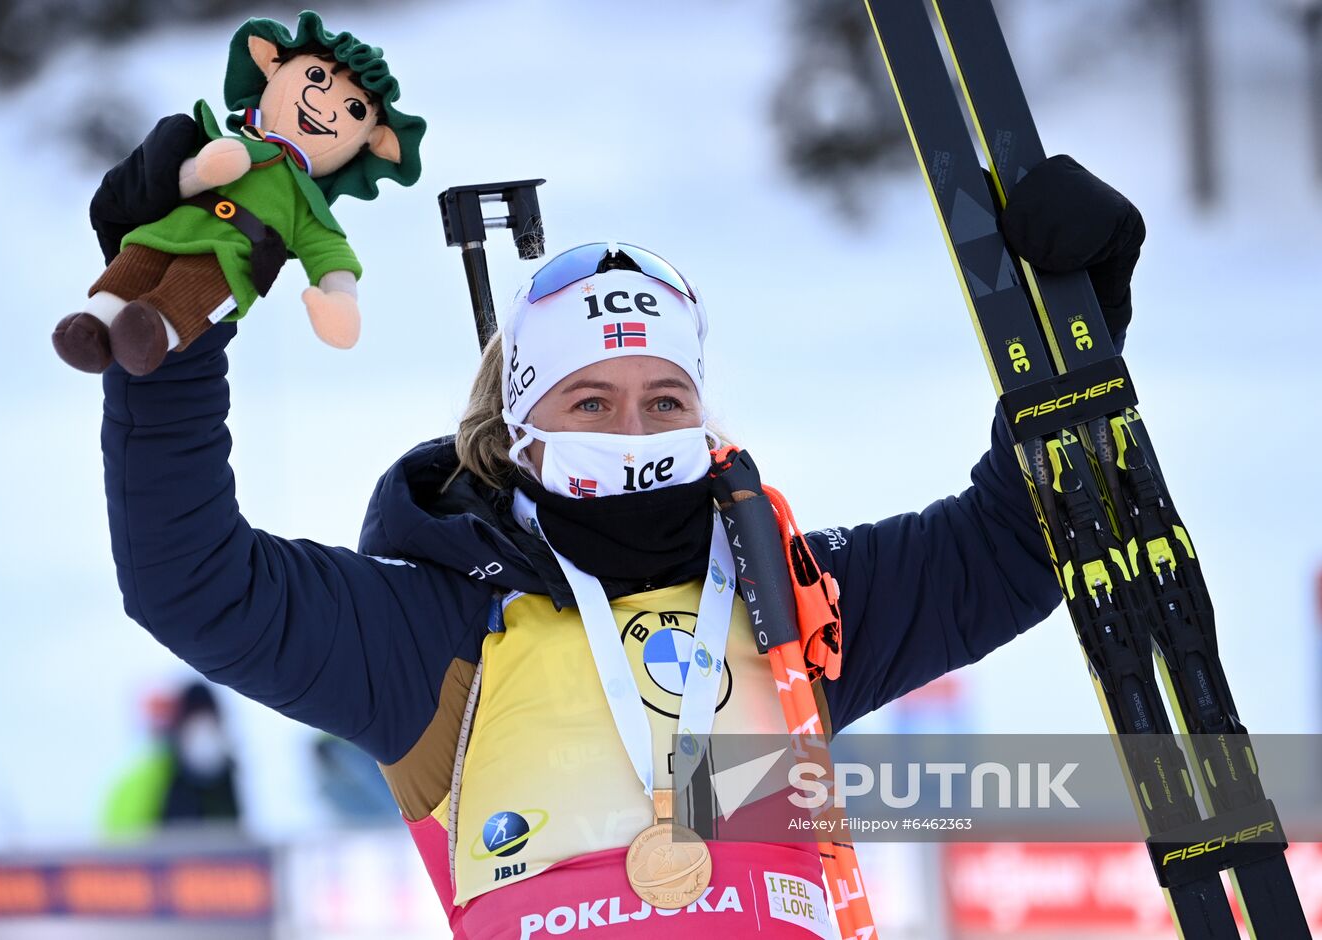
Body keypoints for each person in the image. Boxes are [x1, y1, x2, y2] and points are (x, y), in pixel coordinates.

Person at [89, 115, 1143, 938]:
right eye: (589, 403)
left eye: (664, 399)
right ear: (519, 431)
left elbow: (1017, 542)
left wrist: (1075, 346)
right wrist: (172, 337)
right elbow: (191, 578)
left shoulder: (792, 605)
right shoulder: (429, 636)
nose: (632, 428)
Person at [102, 681, 241, 836]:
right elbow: (123, 844)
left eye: (209, 718)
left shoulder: (226, 776)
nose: (202, 731)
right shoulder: (150, 775)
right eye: (193, 720)